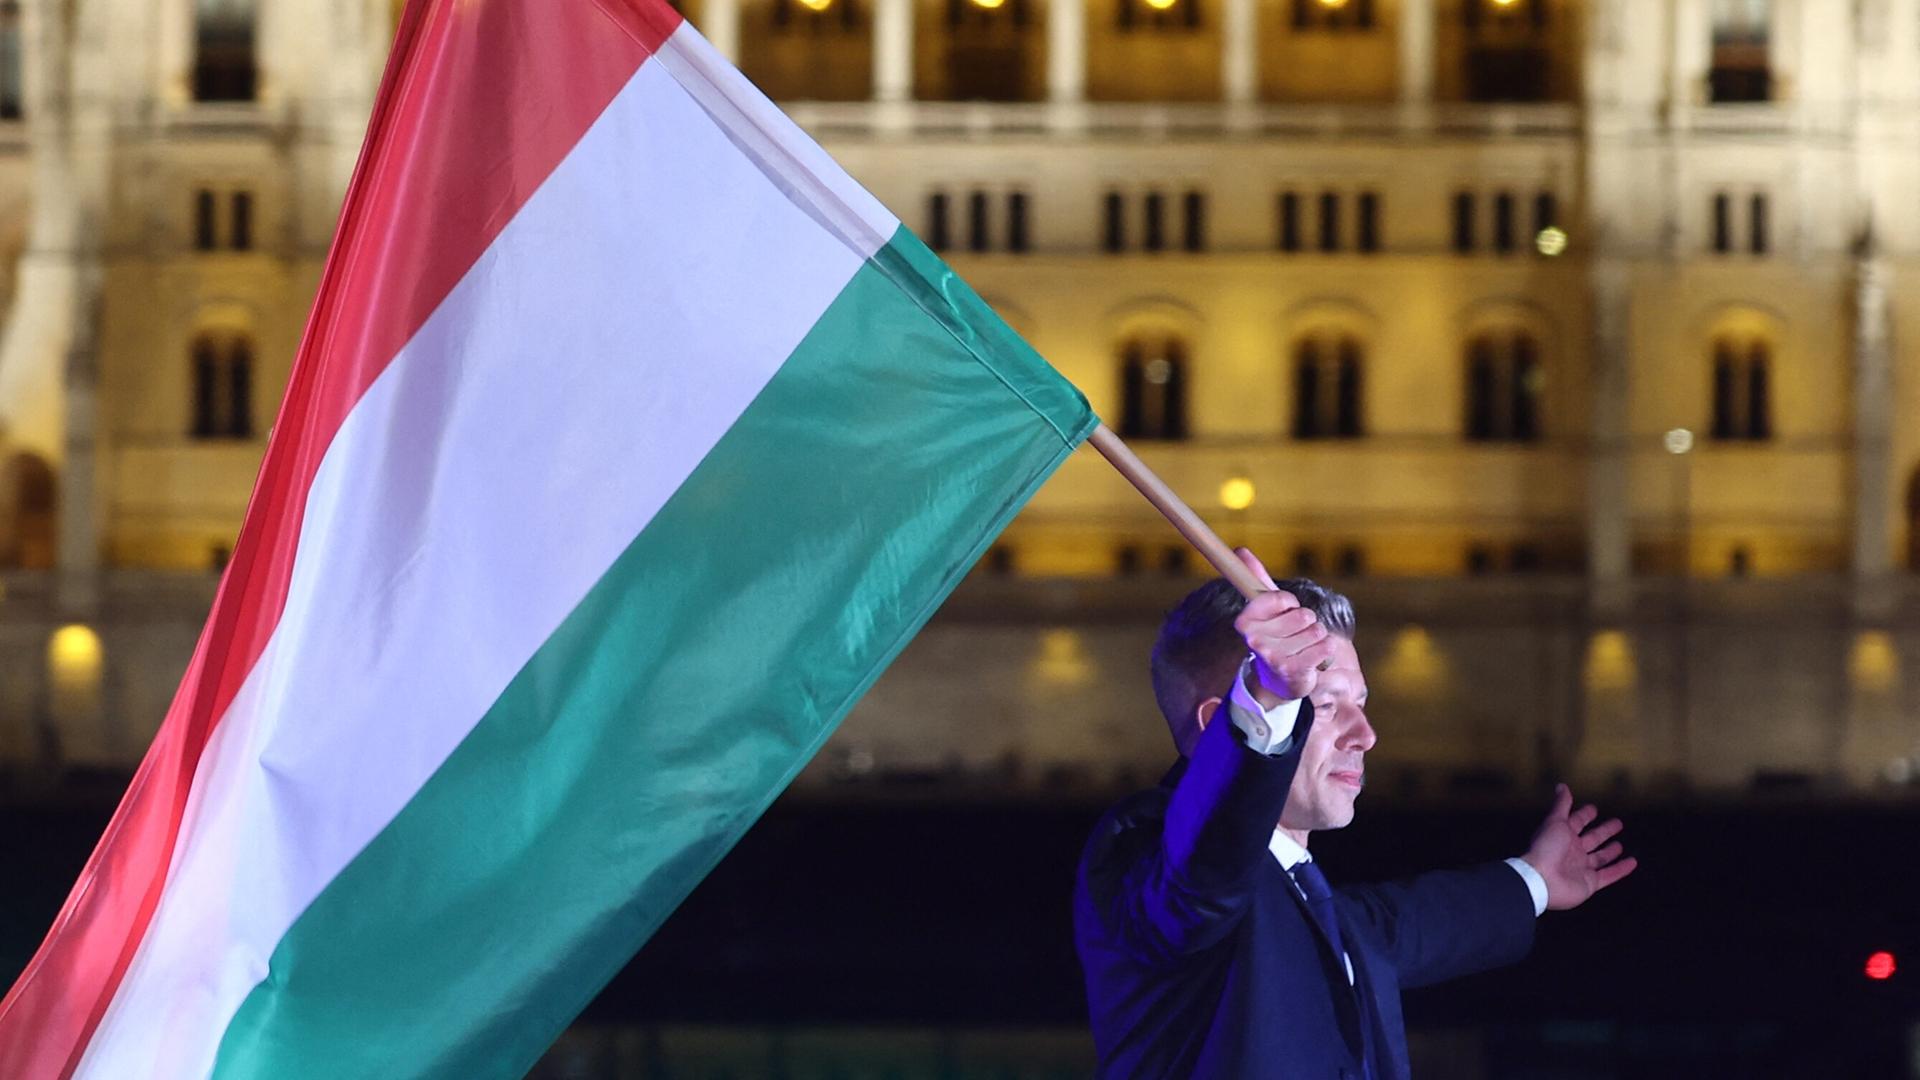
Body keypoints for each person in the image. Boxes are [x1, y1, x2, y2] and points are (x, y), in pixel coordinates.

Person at [1073, 549, 1637, 1079]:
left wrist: (1537, 879)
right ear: (1217, 723)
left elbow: (1411, 924)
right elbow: (1202, 875)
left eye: (1361, 704)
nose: (1365, 736)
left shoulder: (1325, 915)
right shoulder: (1149, 854)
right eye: (1322, 705)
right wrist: (1267, 702)